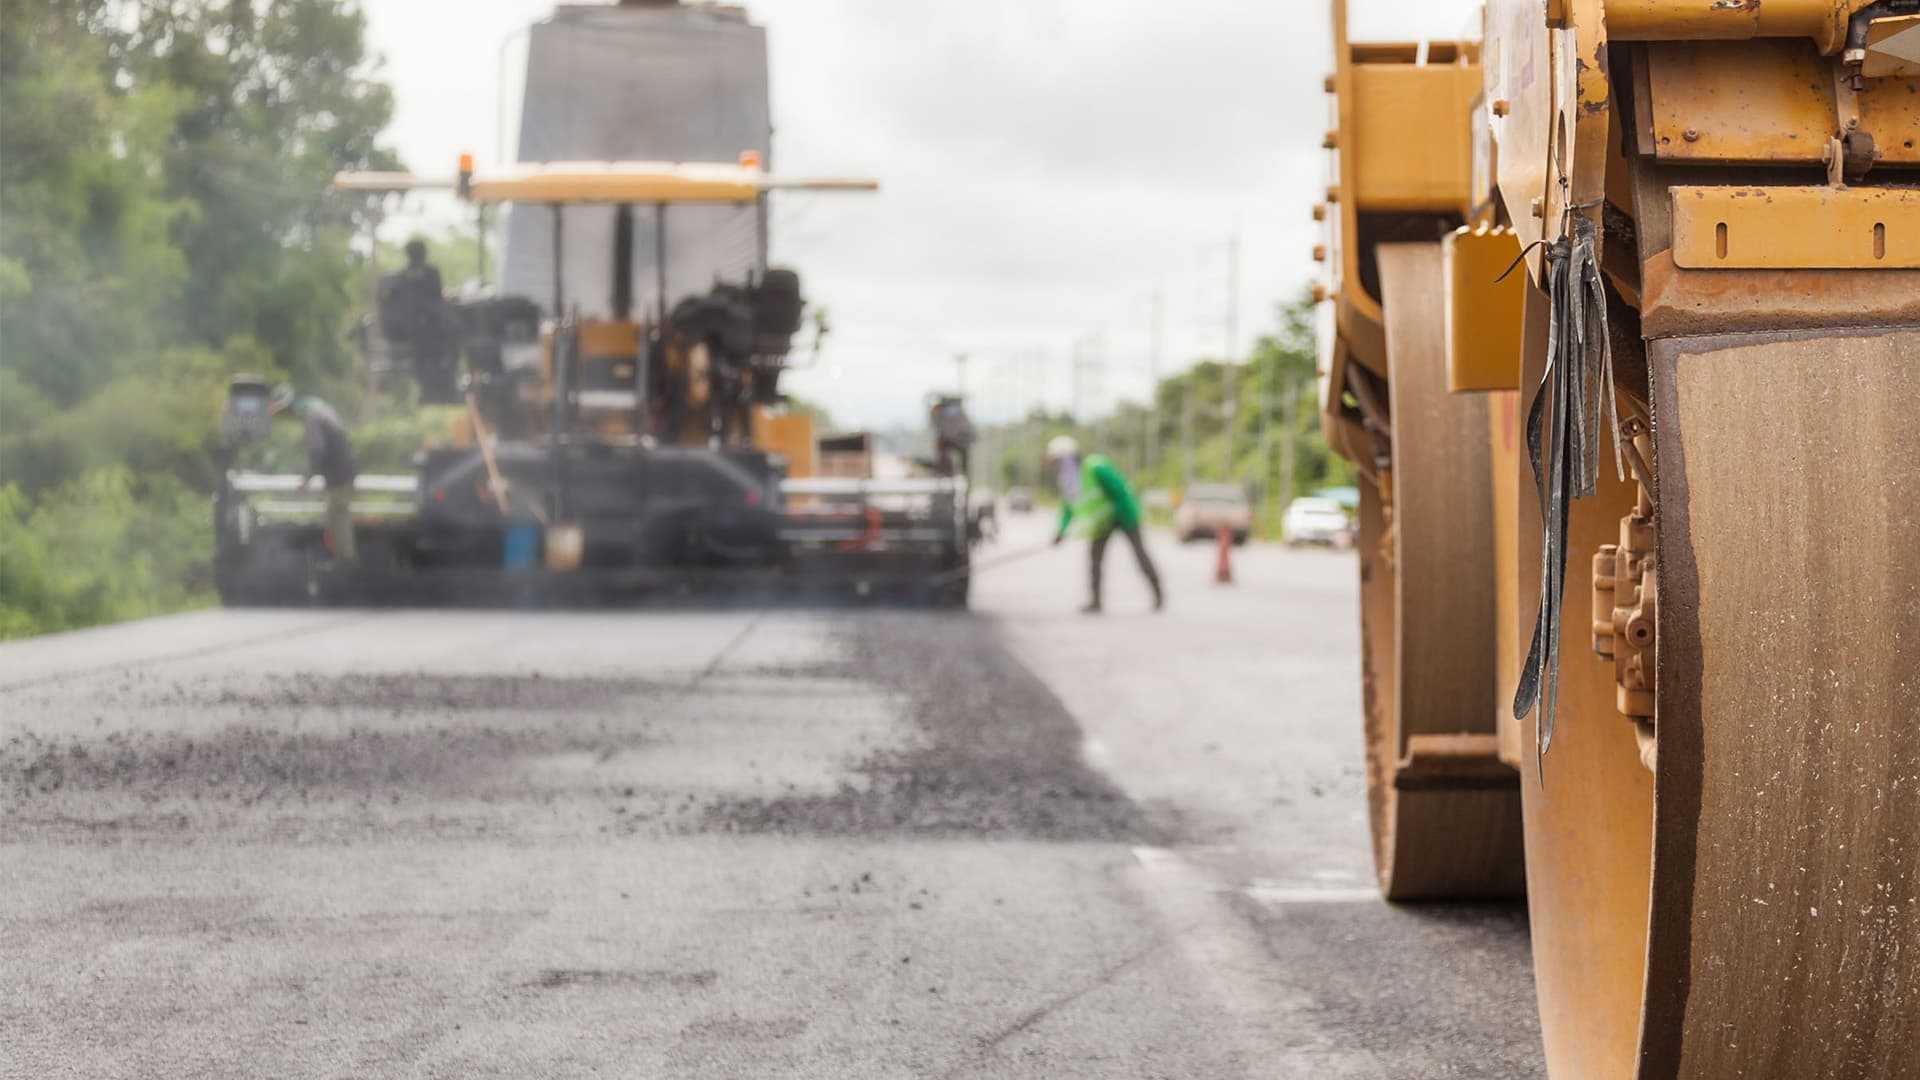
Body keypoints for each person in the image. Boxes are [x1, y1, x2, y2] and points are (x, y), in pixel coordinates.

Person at [1048, 435, 1163, 614]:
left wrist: (1115, 515)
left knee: (1140, 554)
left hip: (1124, 517)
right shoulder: (1068, 481)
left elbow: (1120, 492)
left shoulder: (1096, 467)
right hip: (1101, 524)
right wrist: (1060, 532)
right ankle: (1095, 601)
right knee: (1095, 560)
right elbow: (1068, 508)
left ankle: (1158, 595)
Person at [268, 384, 357, 566]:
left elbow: (317, 449)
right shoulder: (319, 409)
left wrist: (307, 479)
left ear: (289, 407)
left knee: (337, 517)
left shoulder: (312, 417)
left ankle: (346, 565)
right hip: (342, 470)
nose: (285, 416)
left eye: (284, 412)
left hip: (339, 474)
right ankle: (341, 561)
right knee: (333, 517)